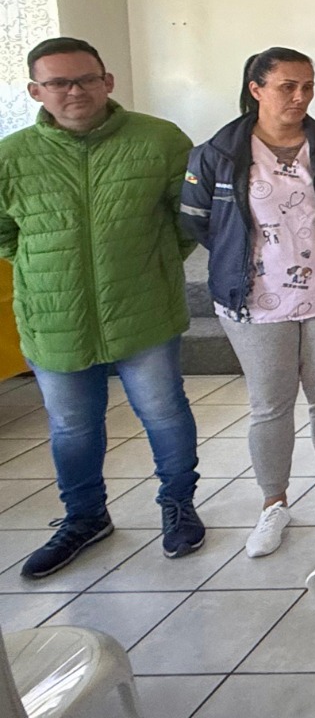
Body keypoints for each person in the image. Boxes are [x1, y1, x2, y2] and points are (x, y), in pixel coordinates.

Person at [0, 37, 205, 578]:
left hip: (143, 308)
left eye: (86, 79)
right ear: (35, 91)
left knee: (164, 413)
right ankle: (84, 518)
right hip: (55, 319)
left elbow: (188, 219)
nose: (74, 92)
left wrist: (153, 263)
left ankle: (178, 505)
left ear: (107, 81)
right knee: (72, 428)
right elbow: (5, 235)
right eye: (58, 83)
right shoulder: (12, 156)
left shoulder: (159, 140)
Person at [181, 48, 315, 558]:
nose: (300, 96)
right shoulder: (219, 153)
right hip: (255, 299)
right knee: (269, 404)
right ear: (256, 89)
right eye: (288, 86)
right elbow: (200, 221)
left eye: (308, 86)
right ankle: (274, 503)